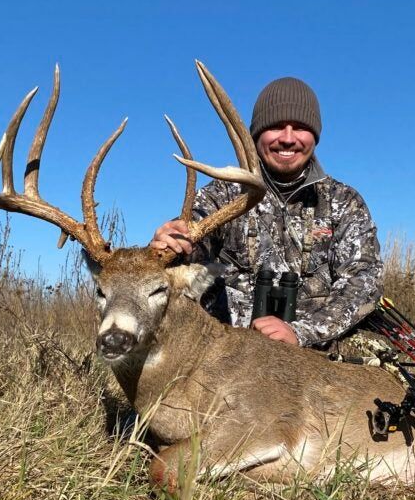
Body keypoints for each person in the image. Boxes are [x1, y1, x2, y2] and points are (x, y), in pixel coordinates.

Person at [150, 76, 384, 348]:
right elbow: (193, 240)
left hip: (314, 356)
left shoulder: (343, 202)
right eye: (275, 127)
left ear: (315, 136)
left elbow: (364, 280)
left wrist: (301, 332)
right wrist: (174, 243)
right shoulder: (223, 195)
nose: (288, 138)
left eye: (300, 127)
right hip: (227, 353)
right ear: (257, 134)